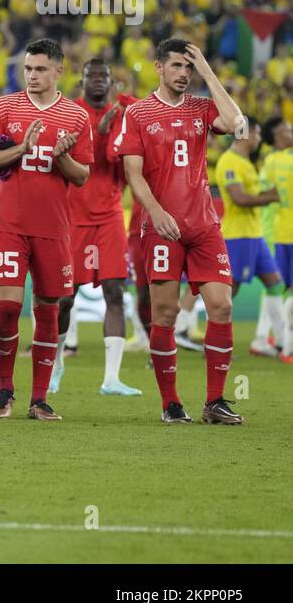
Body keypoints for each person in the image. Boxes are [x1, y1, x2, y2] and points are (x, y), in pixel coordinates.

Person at [115, 39, 246, 424]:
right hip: (161, 228)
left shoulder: (202, 108)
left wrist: (207, 70)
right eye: (177, 66)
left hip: (204, 225)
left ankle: (215, 402)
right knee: (166, 315)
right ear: (158, 67)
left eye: (188, 68)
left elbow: (237, 124)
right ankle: (170, 403)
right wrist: (154, 212)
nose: (183, 74)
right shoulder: (138, 113)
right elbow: (132, 173)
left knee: (222, 305)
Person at [0, 38, 92, 422]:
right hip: (9, 222)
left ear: (59, 70)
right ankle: (5, 389)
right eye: (27, 69)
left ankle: (39, 399)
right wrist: (21, 149)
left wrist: (62, 157)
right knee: (9, 306)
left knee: (49, 310)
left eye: (40, 69)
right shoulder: (6, 106)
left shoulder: (76, 117)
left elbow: (81, 177)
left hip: (53, 228)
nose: (32, 76)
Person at [54, 59, 141, 397]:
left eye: (105, 76)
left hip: (108, 215)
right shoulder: (71, 113)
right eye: (93, 76)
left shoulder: (123, 116)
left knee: (115, 292)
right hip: (72, 218)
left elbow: (129, 157)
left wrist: (113, 130)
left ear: (111, 83)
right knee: (64, 298)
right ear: (82, 80)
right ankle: (57, 363)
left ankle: (111, 379)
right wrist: (97, 131)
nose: (99, 82)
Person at [214, 117, 285, 359]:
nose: (258, 138)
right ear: (244, 134)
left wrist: (267, 195)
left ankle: (283, 343)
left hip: (255, 235)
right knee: (228, 294)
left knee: (275, 283)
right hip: (238, 236)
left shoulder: (245, 162)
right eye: (255, 133)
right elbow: (240, 198)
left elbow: (251, 194)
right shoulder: (229, 162)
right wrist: (273, 197)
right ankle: (217, 343)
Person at [259, 116, 293, 363]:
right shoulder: (281, 161)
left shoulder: (269, 161)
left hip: (275, 231)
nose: (291, 132)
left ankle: (267, 338)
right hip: (279, 233)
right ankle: (284, 344)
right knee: (278, 286)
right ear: (278, 136)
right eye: (287, 130)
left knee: (274, 286)